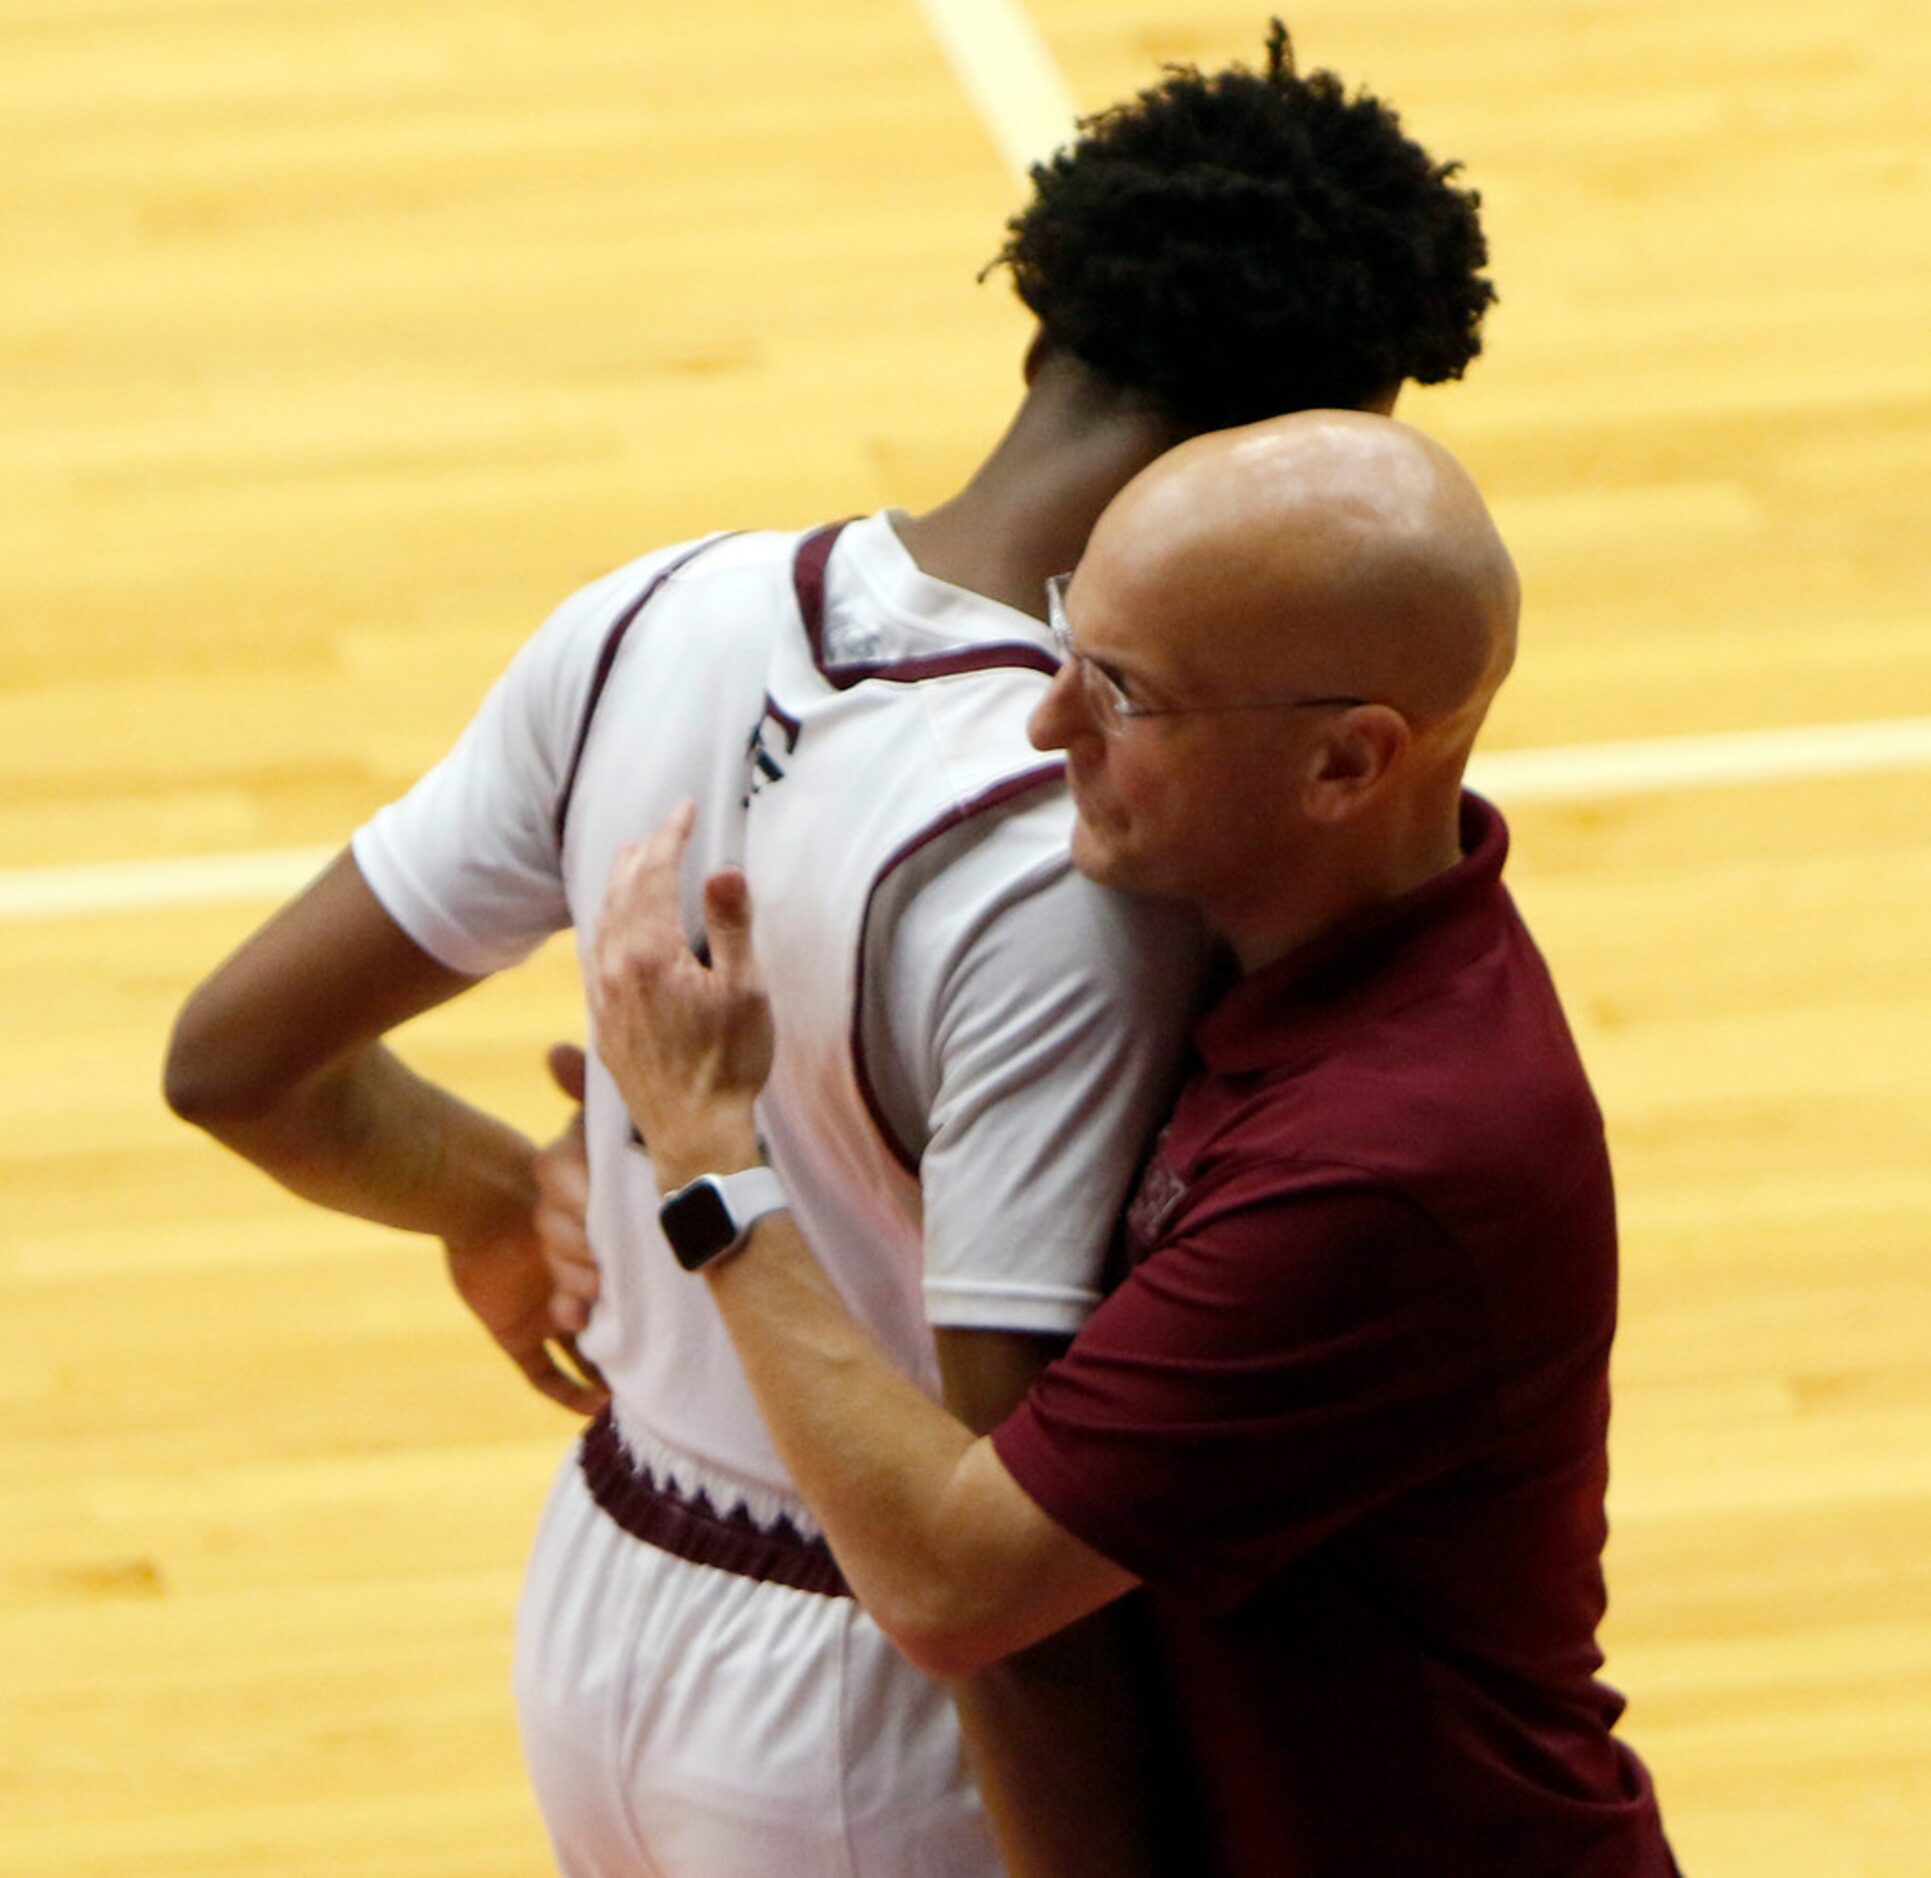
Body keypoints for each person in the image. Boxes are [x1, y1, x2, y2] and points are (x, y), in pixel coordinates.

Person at [162, 24, 1497, 1876]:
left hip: (599, 1597)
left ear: (1040, 322)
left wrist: (493, 1198)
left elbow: (235, 1062)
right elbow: (996, 1571)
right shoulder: (1089, 845)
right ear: (1290, 467)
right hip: (880, 1711)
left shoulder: (653, 613)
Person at [586, 410, 1680, 1874]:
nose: (1048, 727)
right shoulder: (1271, 941)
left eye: (1123, 692)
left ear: (1349, 765)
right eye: (1064, 643)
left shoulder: (1391, 1163)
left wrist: (710, 1158)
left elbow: (957, 1583)